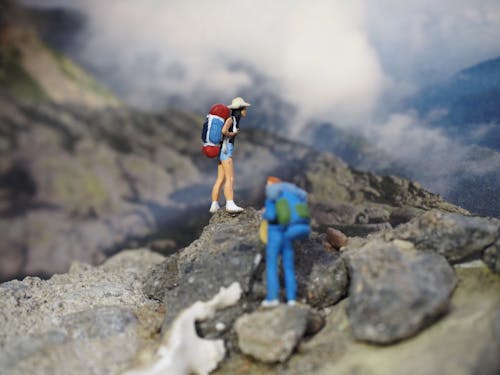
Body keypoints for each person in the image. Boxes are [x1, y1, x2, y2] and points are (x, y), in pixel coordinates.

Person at [261, 176, 310, 307]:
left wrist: (264, 214)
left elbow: (271, 216)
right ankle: (291, 299)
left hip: (275, 233)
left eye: (267, 184)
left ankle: (273, 298)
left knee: (272, 265)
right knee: (289, 267)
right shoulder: (290, 194)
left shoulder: (272, 195)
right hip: (288, 233)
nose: (266, 186)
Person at [209, 97, 251, 214]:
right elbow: (223, 131)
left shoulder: (232, 118)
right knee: (230, 178)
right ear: (240, 109)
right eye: (245, 109)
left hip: (221, 151)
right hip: (226, 152)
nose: (246, 111)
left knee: (220, 178)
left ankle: (214, 204)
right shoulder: (231, 119)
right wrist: (233, 133)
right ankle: (230, 203)